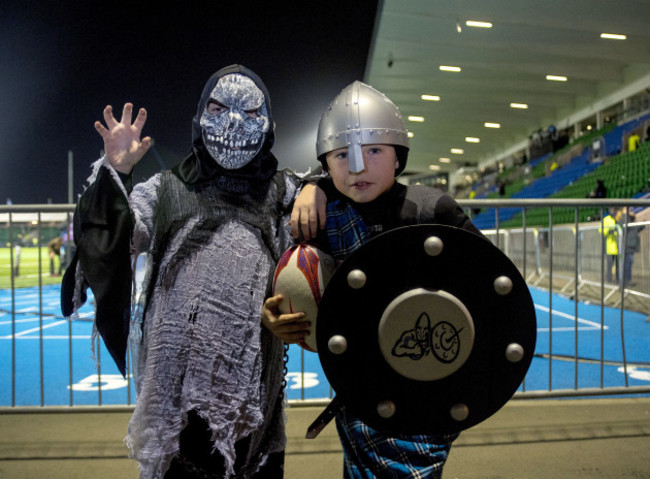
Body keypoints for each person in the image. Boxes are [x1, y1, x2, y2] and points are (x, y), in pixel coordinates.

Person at [62, 64, 323, 479]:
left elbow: (341, 200)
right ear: (200, 117)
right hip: (177, 402)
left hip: (255, 398)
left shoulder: (281, 191)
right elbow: (114, 238)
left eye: (250, 112)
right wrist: (117, 173)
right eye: (219, 108)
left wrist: (315, 185)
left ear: (269, 123)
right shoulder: (166, 190)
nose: (234, 122)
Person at [264, 81, 483, 478]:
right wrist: (275, 317)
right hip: (360, 393)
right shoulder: (325, 218)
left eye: (375, 150)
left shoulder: (432, 209)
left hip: (426, 389)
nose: (358, 166)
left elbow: (488, 287)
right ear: (327, 163)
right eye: (342, 155)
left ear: (398, 158)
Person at [618, 210, 644, 287]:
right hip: (627, 247)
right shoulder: (625, 221)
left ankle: (627, 280)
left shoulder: (632, 223)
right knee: (627, 264)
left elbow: (638, 227)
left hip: (631, 247)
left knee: (628, 264)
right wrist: (625, 214)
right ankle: (626, 280)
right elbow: (622, 224)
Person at [601, 207, 619, 284]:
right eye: (612, 210)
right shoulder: (606, 219)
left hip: (617, 247)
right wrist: (609, 231)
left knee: (618, 265)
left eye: (614, 210)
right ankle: (609, 279)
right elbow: (601, 230)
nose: (613, 211)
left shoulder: (617, 218)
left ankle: (618, 279)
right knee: (609, 264)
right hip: (609, 247)